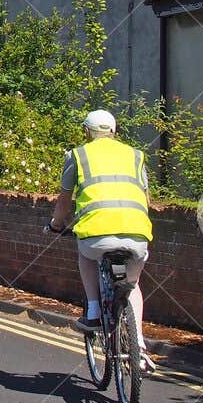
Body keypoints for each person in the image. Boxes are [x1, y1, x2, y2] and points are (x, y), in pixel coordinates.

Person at [48, 109, 155, 367]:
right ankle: (139, 342)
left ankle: (94, 311)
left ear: (87, 132)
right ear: (114, 131)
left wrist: (55, 224)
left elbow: (64, 202)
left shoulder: (78, 155)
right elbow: (147, 199)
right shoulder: (136, 155)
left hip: (96, 236)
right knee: (132, 285)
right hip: (137, 233)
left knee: (85, 254)